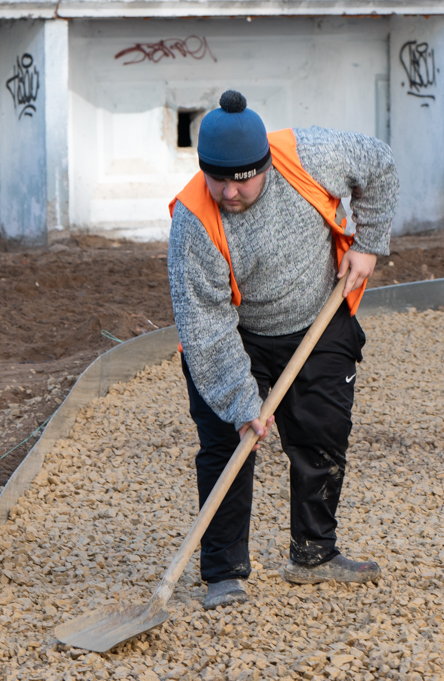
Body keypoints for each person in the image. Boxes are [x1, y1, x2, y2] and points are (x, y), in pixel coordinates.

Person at [167, 89, 399, 610]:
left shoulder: (311, 157)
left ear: (265, 163)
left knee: (322, 433)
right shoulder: (192, 223)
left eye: (242, 178)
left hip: (319, 316)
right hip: (236, 335)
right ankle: (223, 572)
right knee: (227, 442)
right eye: (217, 178)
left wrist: (368, 245)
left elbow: (380, 167)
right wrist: (241, 403)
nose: (229, 191)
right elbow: (205, 328)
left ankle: (313, 554)